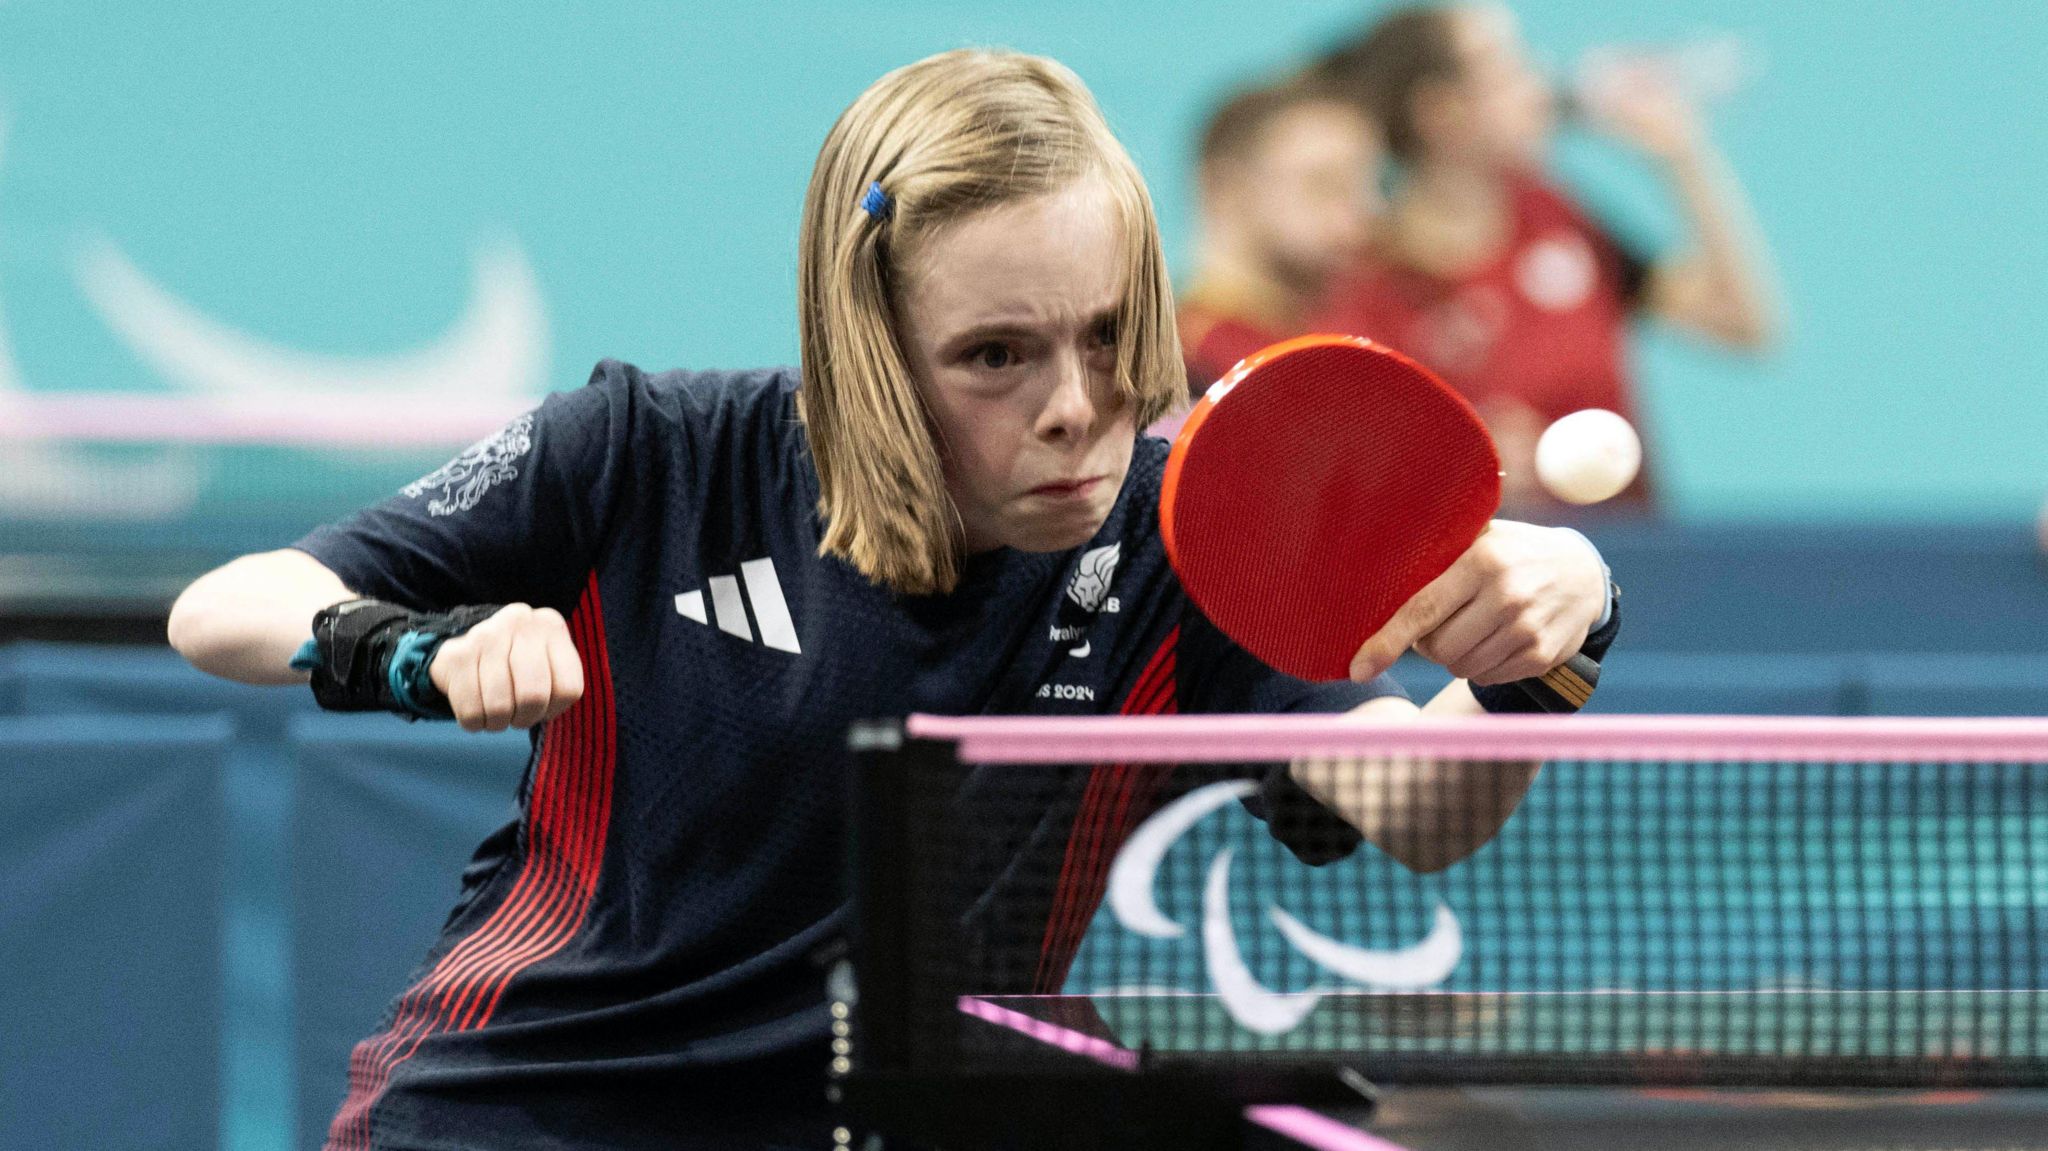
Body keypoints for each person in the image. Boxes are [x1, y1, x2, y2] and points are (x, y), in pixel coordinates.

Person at [166, 49, 1618, 1151]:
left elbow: (1413, 812)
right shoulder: (651, 455)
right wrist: (418, 654)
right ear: (872, 345)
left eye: (1111, 336)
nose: (1076, 409)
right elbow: (230, 604)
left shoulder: (1182, 544)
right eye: (997, 355)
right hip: (533, 1112)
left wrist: (1539, 658)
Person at [1313, 4, 1782, 514]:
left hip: (1637, 564)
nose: (1538, 85)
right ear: (1442, 113)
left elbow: (1744, 325)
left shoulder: (1552, 213)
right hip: (1487, 582)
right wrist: (1455, 468)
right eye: (1508, 69)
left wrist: (1682, 155)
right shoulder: (1366, 285)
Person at [1174, 79, 1382, 412]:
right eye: (1325, 184)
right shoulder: (1184, 363)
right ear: (1224, 187)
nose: (1364, 210)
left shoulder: (1360, 330)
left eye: (1368, 184)